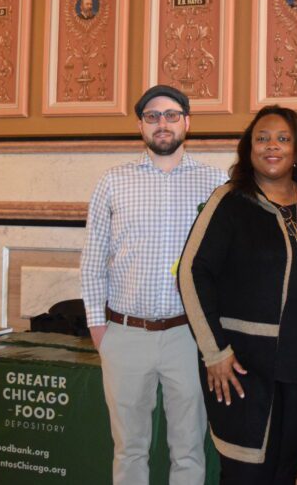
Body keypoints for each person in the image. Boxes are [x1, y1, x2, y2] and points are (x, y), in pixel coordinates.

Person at [178, 105, 297, 484]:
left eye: (283, 139)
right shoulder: (229, 202)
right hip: (243, 369)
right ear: (248, 148)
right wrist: (215, 353)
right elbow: (193, 273)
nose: (272, 146)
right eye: (262, 138)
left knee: (286, 469)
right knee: (246, 473)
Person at [80, 84, 227, 484]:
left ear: (187, 123)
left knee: (189, 450)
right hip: (124, 334)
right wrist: (99, 330)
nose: (162, 124)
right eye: (152, 116)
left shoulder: (216, 183)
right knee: (129, 449)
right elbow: (93, 261)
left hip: (187, 337)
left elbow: (225, 265)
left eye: (171, 115)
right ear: (141, 126)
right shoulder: (113, 182)